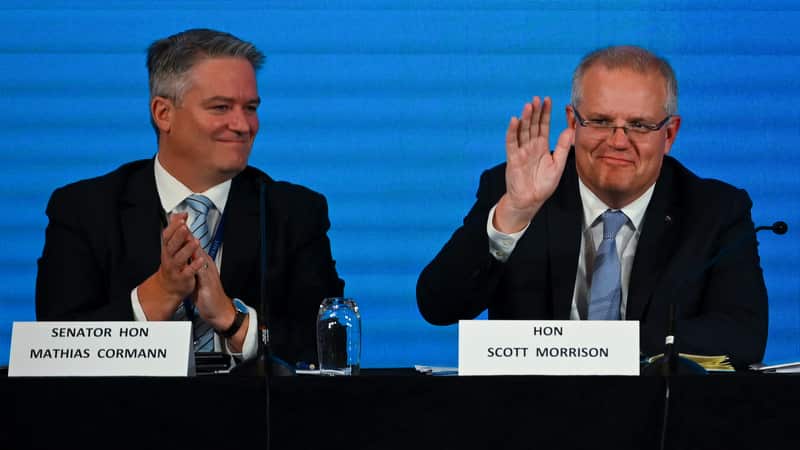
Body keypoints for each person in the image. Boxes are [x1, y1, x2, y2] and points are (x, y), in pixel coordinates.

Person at [417, 45, 768, 368]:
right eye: (600, 122)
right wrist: (515, 213)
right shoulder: (517, 188)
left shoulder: (714, 210)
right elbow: (438, 306)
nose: (618, 141)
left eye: (639, 125)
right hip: (527, 417)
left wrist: (596, 346)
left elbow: (743, 335)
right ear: (573, 122)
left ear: (670, 134)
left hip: (659, 421)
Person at [36, 28, 344, 366]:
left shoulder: (293, 213)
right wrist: (160, 295)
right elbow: (52, 352)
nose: (243, 125)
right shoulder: (84, 210)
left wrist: (233, 320)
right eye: (221, 107)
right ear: (163, 113)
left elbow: (328, 350)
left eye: (251, 107)